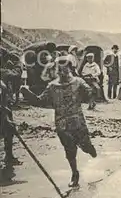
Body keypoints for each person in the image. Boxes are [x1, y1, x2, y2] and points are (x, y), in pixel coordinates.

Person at [21, 57, 97, 187]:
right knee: (69, 149)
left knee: (84, 145)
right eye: (59, 68)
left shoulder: (78, 82)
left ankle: (88, 147)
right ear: (56, 69)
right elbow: (41, 101)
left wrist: (92, 94)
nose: (62, 71)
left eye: (65, 68)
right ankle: (74, 173)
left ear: (70, 68)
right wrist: (28, 94)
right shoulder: (52, 86)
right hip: (62, 123)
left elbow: (90, 91)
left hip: (77, 121)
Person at [0, 80, 22, 167]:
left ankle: (9, 156)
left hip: (5, 110)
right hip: (3, 112)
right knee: (7, 131)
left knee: (9, 133)